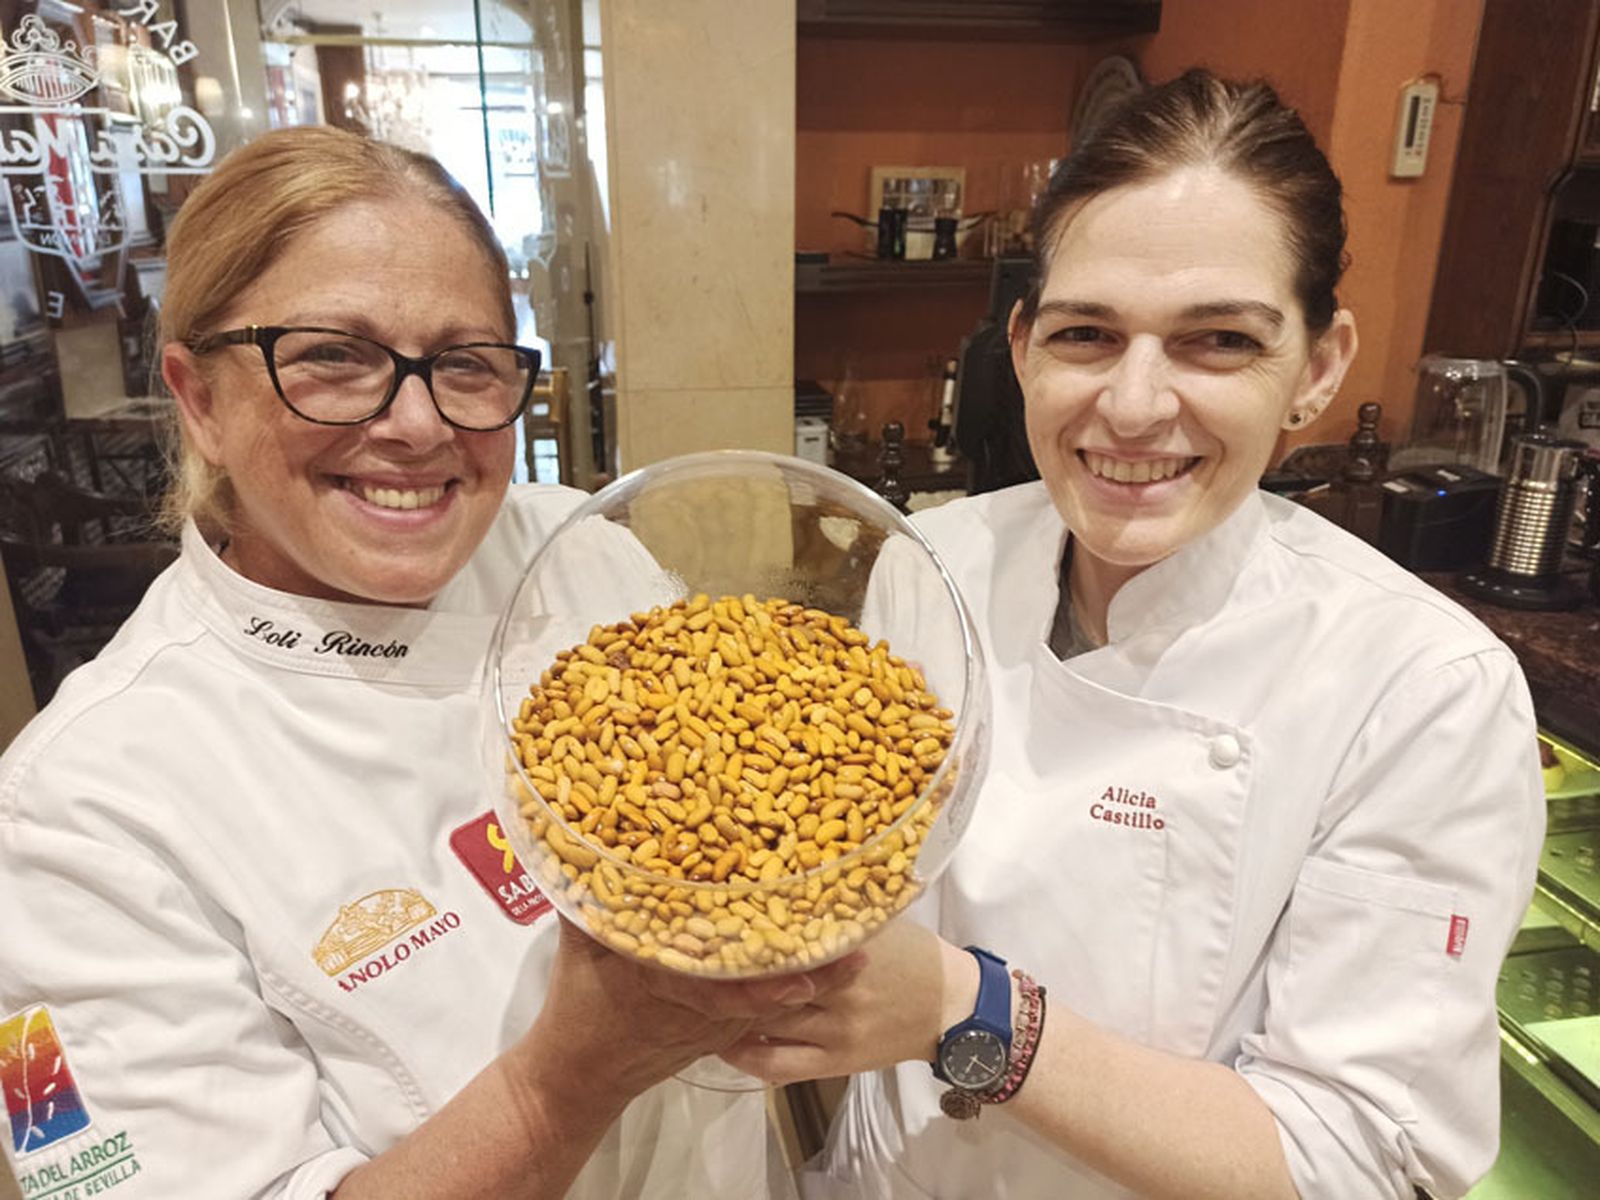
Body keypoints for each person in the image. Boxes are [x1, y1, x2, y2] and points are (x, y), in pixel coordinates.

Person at [725, 69, 1545, 1199]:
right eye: (1085, 334)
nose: (1133, 405)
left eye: (1217, 340)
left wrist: (971, 1013)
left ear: (1317, 366)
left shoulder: (1418, 687)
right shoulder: (936, 563)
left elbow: (1361, 1161)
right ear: (1019, 348)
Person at [0, 125, 856, 1200]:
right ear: (198, 397)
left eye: (465, 363)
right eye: (331, 357)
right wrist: (571, 1077)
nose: (416, 424)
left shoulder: (589, 555)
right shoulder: (77, 809)